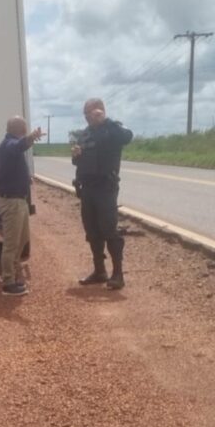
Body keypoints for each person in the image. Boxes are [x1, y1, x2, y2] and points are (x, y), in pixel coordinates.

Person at [71, 98, 133, 290]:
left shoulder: (112, 130)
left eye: (89, 113)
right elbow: (79, 162)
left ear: (99, 111)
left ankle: (118, 274)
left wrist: (105, 121)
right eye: (85, 114)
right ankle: (99, 271)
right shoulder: (85, 134)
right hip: (87, 188)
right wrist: (76, 156)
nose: (87, 117)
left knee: (109, 230)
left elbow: (127, 137)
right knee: (92, 231)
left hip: (105, 188)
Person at [0, 117, 44, 296]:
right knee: (11, 244)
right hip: (12, 202)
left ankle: (11, 273)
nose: (26, 129)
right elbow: (18, 147)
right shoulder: (9, 145)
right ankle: (8, 283)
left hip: (19, 200)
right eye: (24, 127)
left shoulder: (11, 145)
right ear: (19, 129)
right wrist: (31, 137)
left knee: (22, 240)